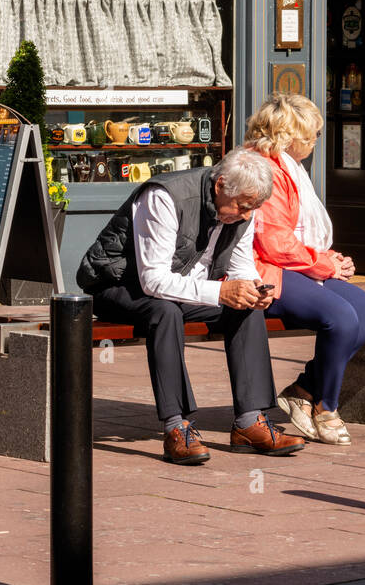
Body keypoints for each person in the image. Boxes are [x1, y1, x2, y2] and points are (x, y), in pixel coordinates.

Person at [76, 147, 306, 465]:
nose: (245, 214)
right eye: (241, 206)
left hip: (182, 288)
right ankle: (176, 428)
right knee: (164, 311)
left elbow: (240, 268)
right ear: (220, 184)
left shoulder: (243, 210)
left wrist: (253, 288)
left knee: (246, 306)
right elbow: (153, 282)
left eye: (252, 208)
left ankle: (249, 422)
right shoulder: (164, 196)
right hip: (117, 283)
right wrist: (221, 292)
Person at [243, 94, 365, 446]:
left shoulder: (291, 167)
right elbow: (273, 244)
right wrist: (324, 263)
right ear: (289, 139)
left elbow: (298, 234)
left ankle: (304, 388)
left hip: (294, 265)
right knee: (341, 317)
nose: (316, 143)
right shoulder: (265, 169)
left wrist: (331, 258)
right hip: (263, 272)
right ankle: (326, 407)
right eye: (311, 137)